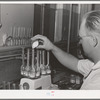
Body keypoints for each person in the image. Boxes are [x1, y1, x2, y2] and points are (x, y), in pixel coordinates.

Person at [31, 10, 100, 90]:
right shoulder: (94, 64)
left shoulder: (97, 82)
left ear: (93, 41)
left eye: (81, 38)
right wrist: (52, 47)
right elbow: (75, 64)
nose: (80, 42)